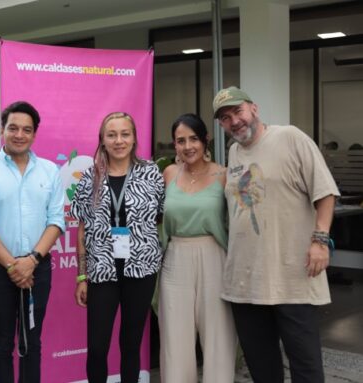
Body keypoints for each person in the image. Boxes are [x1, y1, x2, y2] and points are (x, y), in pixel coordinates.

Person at [213, 86, 340, 383]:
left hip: (291, 277)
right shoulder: (234, 151)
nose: (234, 121)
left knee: (305, 366)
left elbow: (325, 192)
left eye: (238, 111)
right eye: (225, 118)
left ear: (254, 108)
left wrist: (320, 240)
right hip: (245, 282)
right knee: (262, 367)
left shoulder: (290, 137)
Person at [0, 100, 64, 383]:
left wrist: (32, 261)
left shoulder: (49, 170)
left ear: (35, 134)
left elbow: (56, 220)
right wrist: (13, 266)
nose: (19, 135)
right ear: (2, 130)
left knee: (32, 342)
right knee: (1, 343)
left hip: (38, 268)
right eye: (13, 128)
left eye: (26, 129)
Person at [70, 112, 164, 383]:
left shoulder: (151, 173)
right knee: (98, 348)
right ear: (102, 140)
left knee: (130, 345)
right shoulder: (90, 177)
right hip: (101, 273)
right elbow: (83, 228)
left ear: (134, 138)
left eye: (125, 134)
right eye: (111, 135)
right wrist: (81, 275)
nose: (118, 140)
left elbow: (158, 216)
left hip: (142, 271)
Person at [158, 113, 236, 383]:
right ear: (174, 145)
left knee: (218, 334)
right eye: (181, 141)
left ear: (205, 141)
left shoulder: (224, 175)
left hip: (214, 254)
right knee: (174, 334)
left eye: (193, 139)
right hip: (175, 256)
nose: (187, 146)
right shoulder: (168, 173)